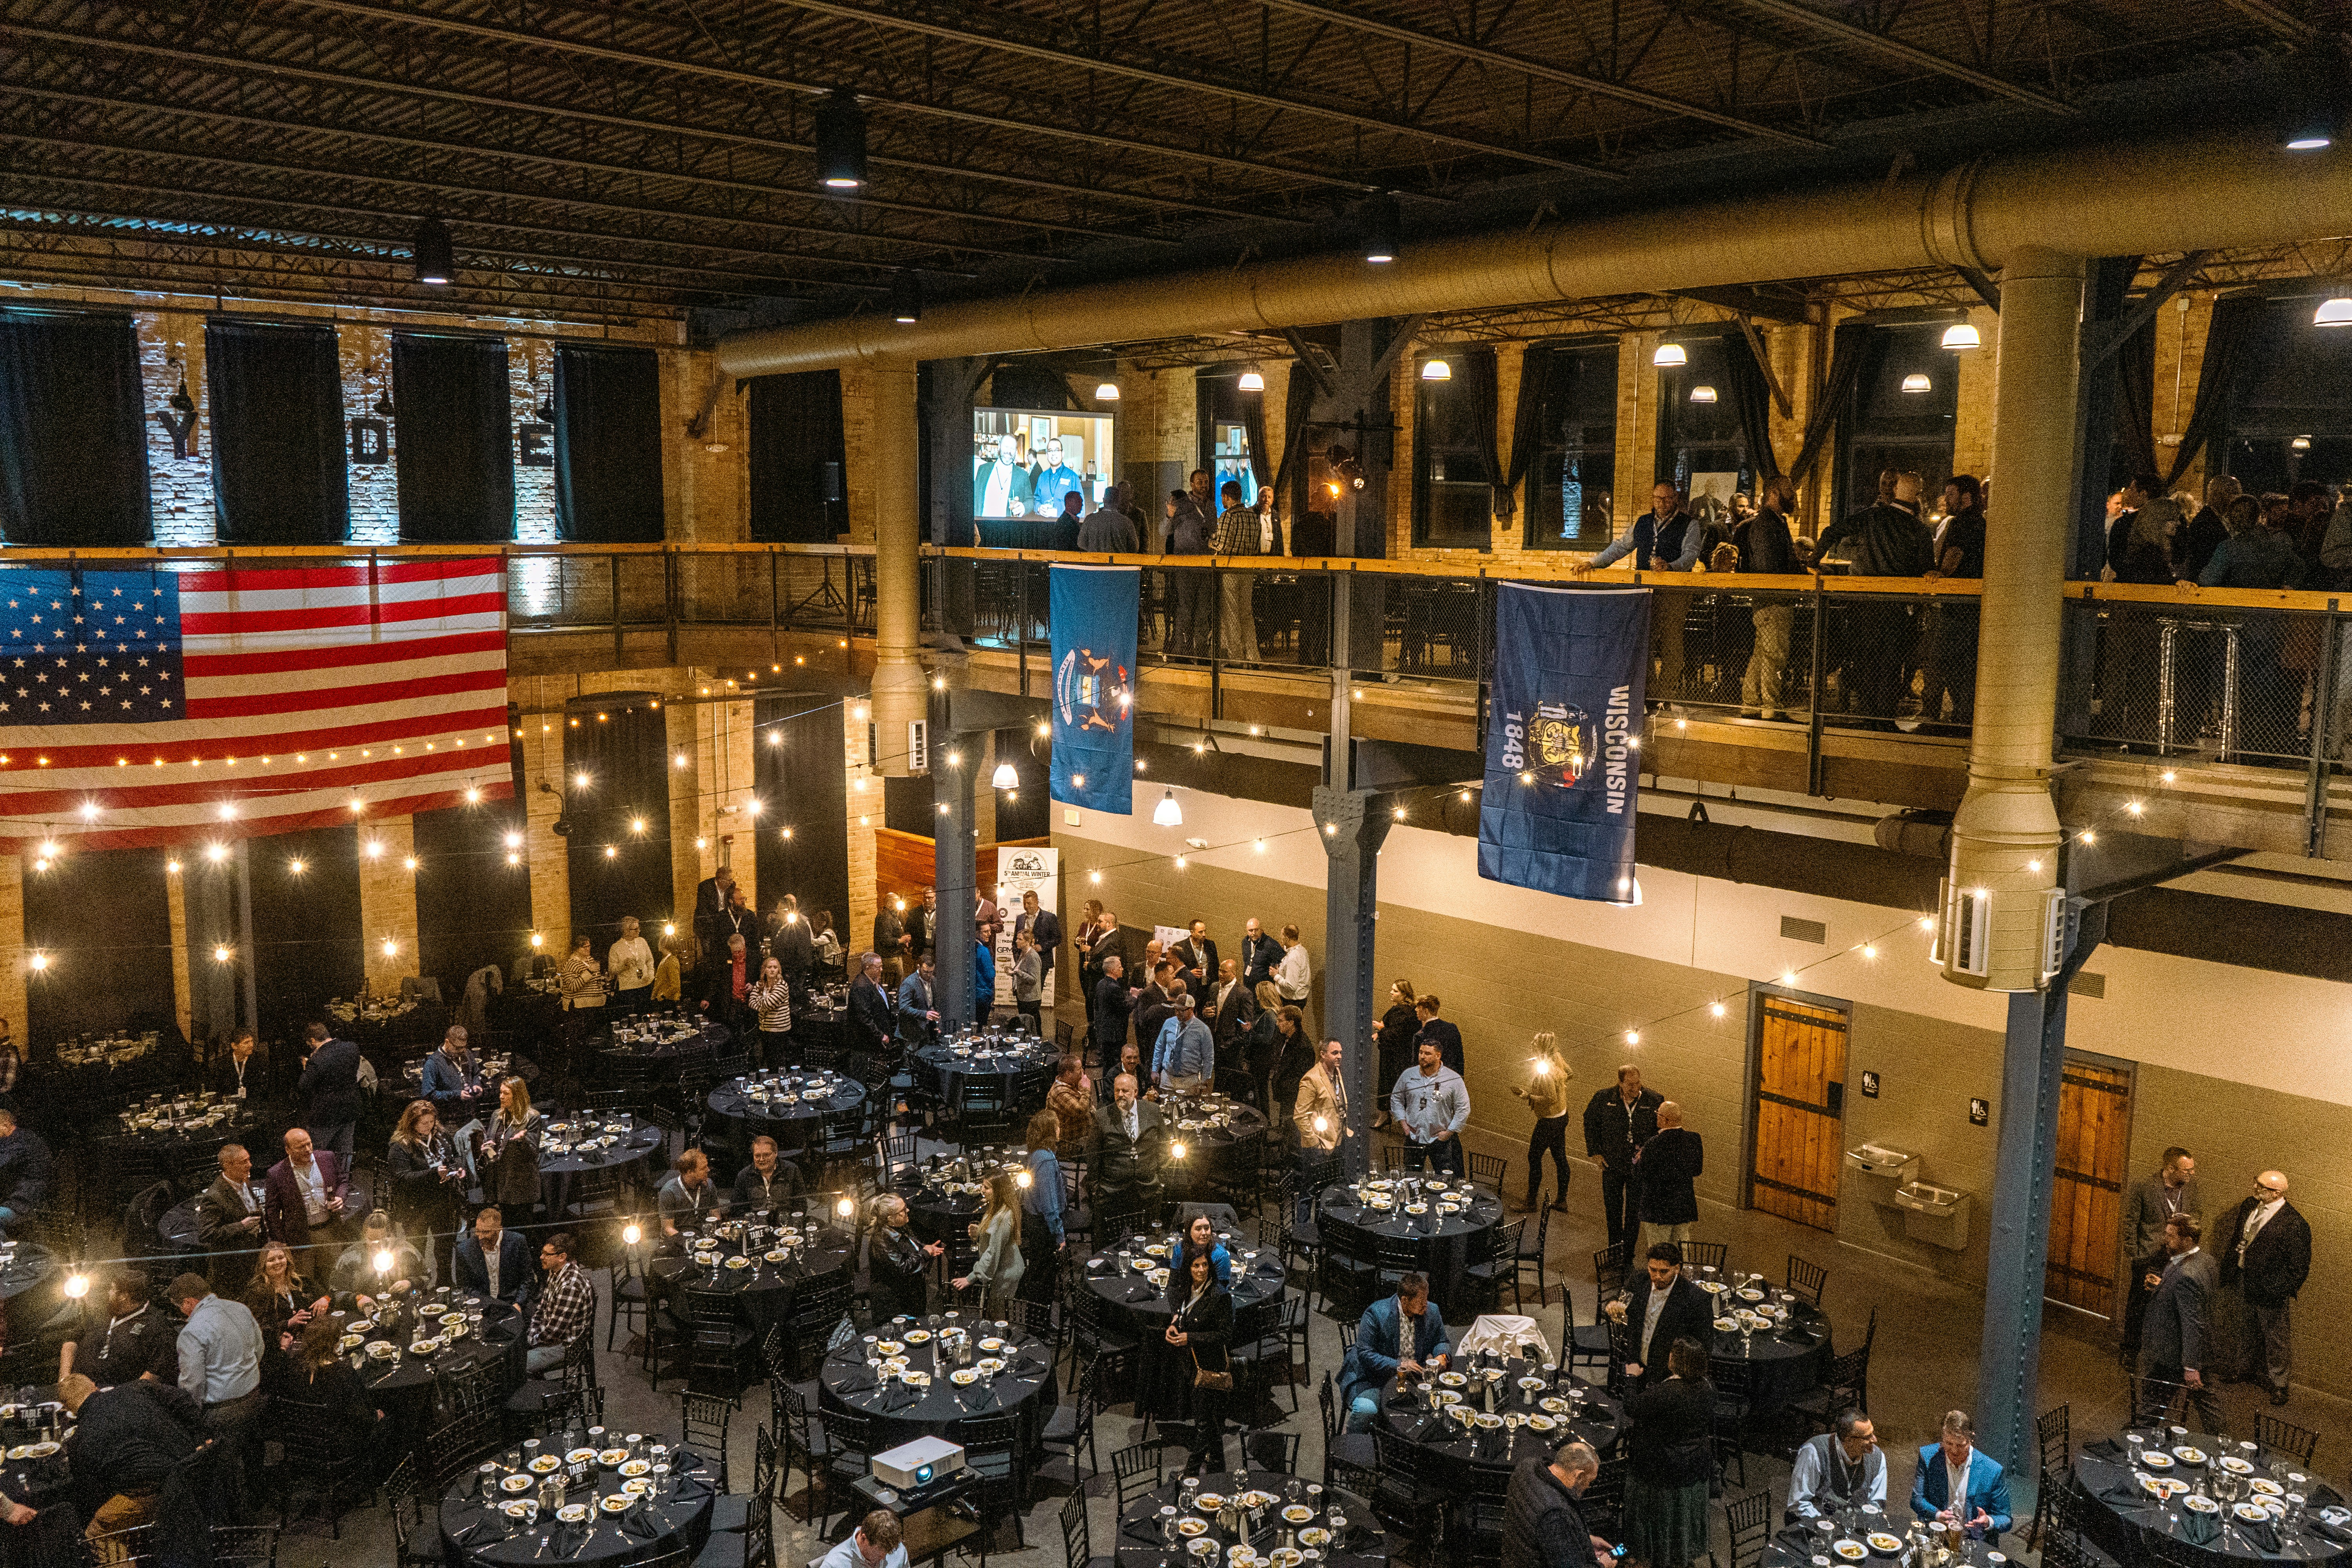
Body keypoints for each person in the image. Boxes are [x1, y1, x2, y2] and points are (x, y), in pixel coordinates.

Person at [57, 1370, 202, 1548]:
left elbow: (89, 1496)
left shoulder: (78, 1441)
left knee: (97, 1533)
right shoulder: (137, 1388)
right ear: (95, 1387)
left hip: (157, 1493)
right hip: (195, 1468)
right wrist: (201, 1436)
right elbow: (181, 1397)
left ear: (67, 1408)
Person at [2214, 1169, 2310, 1405]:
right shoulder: (2251, 1206)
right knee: (2246, 1328)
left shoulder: (2294, 1224)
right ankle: (2244, 1369)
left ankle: (2279, 1383)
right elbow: (2241, 1238)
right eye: (2256, 1184)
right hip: (2244, 1279)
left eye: (2261, 1187)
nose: (2255, 1189)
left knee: (2275, 1337)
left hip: (2270, 1289)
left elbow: (2299, 1266)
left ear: (2276, 1193)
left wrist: (2279, 1289)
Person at [1622, 1336, 1714, 1568]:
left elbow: (1632, 1407)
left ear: (1675, 1361)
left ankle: (1646, 1555)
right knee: (1680, 1519)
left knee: (1652, 1520)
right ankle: (1678, 1555)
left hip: (1660, 1469)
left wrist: (1631, 1377)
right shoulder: (1707, 1388)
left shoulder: (1667, 1393)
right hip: (1693, 1467)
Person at [267, 1316, 393, 1478]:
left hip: (301, 1449)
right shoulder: (343, 1373)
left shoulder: (292, 1369)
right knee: (389, 1420)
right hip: (337, 1451)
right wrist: (375, 1415)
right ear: (335, 1343)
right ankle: (378, 1479)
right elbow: (361, 1416)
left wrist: (284, 1349)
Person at [2134, 1211, 2221, 1430]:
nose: (2166, 1240)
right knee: (2209, 1405)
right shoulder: (2207, 1261)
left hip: (2174, 1353)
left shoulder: (2186, 1275)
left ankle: (2138, 1441)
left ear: (2188, 1240)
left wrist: (2191, 1366)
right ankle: (2223, 1444)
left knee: (2152, 1405)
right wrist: (2164, 1287)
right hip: (2197, 1349)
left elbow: (2193, 1321)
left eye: (2171, 1236)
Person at [1917, 474, 1987, 731]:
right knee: (1964, 667)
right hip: (1971, 609)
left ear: (1966, 496)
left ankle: (1933, 718)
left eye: (1951, 495)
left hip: (1956, 609)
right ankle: (1963, 719)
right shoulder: (1980, 523)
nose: (1946, 501)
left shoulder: (1962, 524)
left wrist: (1940, 574)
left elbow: (1955, 554)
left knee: (1939, 661)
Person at [1338, 1273, 1450, 1431]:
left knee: (1439, 1404)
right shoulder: (1376, 1313)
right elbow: (1365, 1354)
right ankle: (1356, 1448)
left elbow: (1442, 1341)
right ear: (1405, 1300)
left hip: (1412, 1379)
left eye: (1427, 1298)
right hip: (1374, 1378)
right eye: (1421, 1300)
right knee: (1367, 1410)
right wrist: (1400, 1365)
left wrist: (1442, 1356)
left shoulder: (1432, 1311)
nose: (1426, 1304)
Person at [2118, 1145, 2198, 1367]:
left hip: (2177, 1257)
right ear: (2170, 1168)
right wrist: (2135, 1254)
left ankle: (2163, 1352)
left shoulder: (2191, 1191)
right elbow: (2130, 1222)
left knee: (2172, 1305)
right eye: (2187, 1171)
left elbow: (2198, 1216)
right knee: (2139, 1304)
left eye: (2193, 1170)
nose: (2192, 1174)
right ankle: (2131, 1350)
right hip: (2149, 1255)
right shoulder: (2144, 1187)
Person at [1736, 474, 1802, 719]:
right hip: (1773, 599)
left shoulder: (1774, 522)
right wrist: (1799, 571)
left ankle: (1751, 704)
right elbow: (1769, 566)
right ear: (1774, 493)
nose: (1793, 497)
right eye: (1789, 492)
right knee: (1775, 655)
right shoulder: (1766, 524)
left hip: (1770, 600)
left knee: (1763, 653)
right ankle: (1771, 709)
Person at [1607, 1242, 1713, 1390]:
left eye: (1664, 1272)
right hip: (1636, 1364)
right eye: (1653, 1269)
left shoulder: (1696, 1299)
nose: (1657, 1276)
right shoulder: (1639, 1280)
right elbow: (1622, 1296)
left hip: (1667, 1375)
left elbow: (1704, 1345)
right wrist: (1613, 1304)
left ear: (1677, 1269)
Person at [1166, 1242, 1234, 1475]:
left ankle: (1190, 1473)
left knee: (1205, 1425)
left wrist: (1190, 1338)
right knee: (1211, 1425)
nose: (1201, 1270)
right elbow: (1184, 1315)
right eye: (1196, 1265)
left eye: (1205, 1265)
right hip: (1193, 1366)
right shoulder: (1189, 1289)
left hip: (1210, 1366)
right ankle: (1218, 1470)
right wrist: (1174, 1327)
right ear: (1189, 1268)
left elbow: (1225, 1334)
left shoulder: (1219, 1295)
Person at [170, 1271, 264, 1437]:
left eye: (180, 1308)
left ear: (188, 1302)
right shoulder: (241, 1308)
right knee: (253, 1450)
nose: (182, 1312)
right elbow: (259, 1349)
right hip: (254, 1397)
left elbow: (193, 1383)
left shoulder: (191, 1332)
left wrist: (190, 1418)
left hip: (222, 1412)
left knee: (223, 1461)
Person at [1584, 1065, 1662, 1262]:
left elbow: (1661, 1129)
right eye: (1630, 1084)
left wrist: (1649, 1150)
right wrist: (1595, 1152)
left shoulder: (1654, 1100)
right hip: (1612, 1164)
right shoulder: (1603, 1098)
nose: (1635, 1088)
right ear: (1620, 1082)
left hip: (1639, 1167)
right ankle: (1614, 1252)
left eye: (1638, 1083)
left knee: (1634, 1213)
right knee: (1613, 1210)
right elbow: (1589, 1122)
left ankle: (1628, 1254)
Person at [1908, 1410, 2013, 1544]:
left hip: (1973, 1540)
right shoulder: (1928, 1457)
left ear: (1971, 1439)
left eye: (1960, 1445)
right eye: (1948, 1444)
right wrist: (1938, 1515)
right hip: (1937, 1533)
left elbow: (2006, 1519)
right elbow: (1917, 1499)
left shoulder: (1992, 1470)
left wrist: (1988, 1522)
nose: (1954, 1451)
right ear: (1943, 1437)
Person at [60, 1270, 176, 1388]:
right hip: (76, 1388)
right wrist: (64, 1379)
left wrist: (120, 1397)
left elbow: (155, 1372)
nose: (109, 1293)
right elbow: (71, 1341)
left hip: (114, 1395)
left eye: (113, 1289)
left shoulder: (156, 1325)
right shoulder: (100, 1312)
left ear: (124, 1296)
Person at [1503, 1438, 1608, 1568]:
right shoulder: (1556, 1513)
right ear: (1579, 1475)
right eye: (1589, 1481)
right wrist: (1603, 1566)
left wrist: (1584, 1539)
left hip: (1514, 1557)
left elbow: (1542, 1533)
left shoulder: (1527, 1466)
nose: (1588, 1487)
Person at [263, 1126, 351, 1271]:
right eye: (301, 1147)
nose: (308, 1150)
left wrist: (340, 1197)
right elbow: (272, 1212)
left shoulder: (327, 1158)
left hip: (329, 1230)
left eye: (309, 1144)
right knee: (305, 1278)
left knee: (334, 1274)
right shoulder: (276, 1173)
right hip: (300, 1237)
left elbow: (343, 1181)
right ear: (288, 1150)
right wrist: (281, 1243)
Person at [386, 1099, 466, 1254]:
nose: (429, 1126)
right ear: (412, 1123)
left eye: (431, 1121)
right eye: (423, 1123)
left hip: (443, 1201)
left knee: (445, 1249)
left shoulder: (441, 1136)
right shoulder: (400, 1147)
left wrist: (458, 1169)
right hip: (416, 1206)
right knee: (416, 1250)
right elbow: (403, 1179)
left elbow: (455, 1157)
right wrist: (433, 1174)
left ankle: (445, 1279)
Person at [1511, 1032, 1573, 1213]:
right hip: (1562, 1116)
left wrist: (1528, 1096)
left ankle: (1531, 1202)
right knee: (1560, 1158)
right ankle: (1562, 1200)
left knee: (1534, 1157)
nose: (1532, 1046)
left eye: (1535, 1045)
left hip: (1549, 1122)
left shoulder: (1545, 1069)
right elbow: (1570, 1073)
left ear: (1541, 1048)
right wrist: (1560, 1084)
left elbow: (1550, 1098)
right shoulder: (1557, 1058)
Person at [194, 1142, 267, 1297]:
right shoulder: (214, 1197)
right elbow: (207, 1234)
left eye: (249, 1160)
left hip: (253, 1260)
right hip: (233, 1271)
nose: (250, 1165)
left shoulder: (244, 1181)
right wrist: (241, 1225)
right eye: (244, 1162)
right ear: (228, 1165)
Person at [1787, 1412, 1886, 1524]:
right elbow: (1799, 1503)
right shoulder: (1815, 1452)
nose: (1875, 1440)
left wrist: (1864, 1522)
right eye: (1868, 1437)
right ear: (1849, 1440)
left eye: (1873, 1433)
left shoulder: (1878, 1457)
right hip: (1819, 1522)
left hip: (1857, 1524)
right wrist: (1828, 1525)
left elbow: (1877, 1502)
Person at [1089, 1073, 1165, 1218]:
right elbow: (1093, 1156)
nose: (1120, 1095)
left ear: (1135, 1092)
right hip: (1113, 1191)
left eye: (1125, 1091)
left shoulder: (1153, 1111)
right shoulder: (1102, 1117)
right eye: (1117, 1091)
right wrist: (1096, 1188)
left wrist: (1160, 1178)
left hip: (1148, 1188)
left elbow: (1164, 1146)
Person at [1391, 1036, 1469, 1176]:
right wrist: (1403, 1123)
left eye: (1427, 1054)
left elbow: (1463, 1109)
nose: (1422, 1057)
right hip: (1414, 1137)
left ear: (1438, 1056)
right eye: (1421, 1053)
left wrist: (1449, 1133)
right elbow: (1396, 1098)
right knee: (1411, 1177)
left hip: (1440, 1140)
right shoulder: (1409, 1075)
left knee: (1444, 1179)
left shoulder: (1453, 1079)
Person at [1635, 1102, 1703, 1254]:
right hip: (1683, 1206)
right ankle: (1681, 1277)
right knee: (1681, 1251)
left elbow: (1642, 1175)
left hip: (1658, 1209)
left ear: (1666, 1120)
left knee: (1659, 1252)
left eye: (1658, 1115)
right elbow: (1697, 1170)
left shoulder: (1652, 1145)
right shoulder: (1694, 1140)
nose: (1656, 1117)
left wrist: (1639, 1160)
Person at [952, 1169, 1024, 1314]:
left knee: (997, 1317)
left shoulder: (1003, 1218)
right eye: (983, 1186)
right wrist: (980, 1232)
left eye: (987, 1187)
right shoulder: (997, 1207)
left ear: (999, 1191)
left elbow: (993, 1252)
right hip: (1003, 1269)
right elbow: (995, 1235)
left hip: (1006, 1274)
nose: (982, 1190)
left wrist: (971, 1278)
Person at [524, 1232, 596, 1373]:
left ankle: (535, 1390)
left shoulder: (570, 1287)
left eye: (546, 1254)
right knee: (515, 1352)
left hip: (564, 1347)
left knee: (518, 1366)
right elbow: (542, 1308)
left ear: (562, 1257)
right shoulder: (555, 1271)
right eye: (542, 1253)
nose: (541, 1257)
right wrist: (532, 1333)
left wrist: (530, 1341)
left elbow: (553, 1334)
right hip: (549, 1335)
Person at [477, 1077, 543, 1226]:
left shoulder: (532, 1117)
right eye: (500, 1093)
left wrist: (522, 1140)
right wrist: (487, 1146)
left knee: (520, 1228)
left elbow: (532, 1153)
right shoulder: (498, 1115)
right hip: (499, 1181)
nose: (501, 1097)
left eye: (506, 1093)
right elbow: (490, 1138)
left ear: (517, 1095)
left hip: (519, 1183)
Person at [419, 1026, 489, 1165]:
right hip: (450, 1120)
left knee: (478, 1153)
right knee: (460, 1157)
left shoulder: (467, 1054)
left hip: (471, 1113)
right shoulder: (433, 1063)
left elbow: (476, 1073)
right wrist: (456, 1095)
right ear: (447, 1042)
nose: (461, 1051)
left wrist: (477, 1084)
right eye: (458, 1048)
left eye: (464, 1047)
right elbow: (428, 1094)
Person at [328, 1209, 426, 1307]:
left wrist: (409, 1283)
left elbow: (427, 1277)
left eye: (381, 1241)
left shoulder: (406, 1251)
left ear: (390, 1236)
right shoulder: (350, 1257)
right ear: (364, 1234)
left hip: (401, 1307)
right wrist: (358, 1299)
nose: (375, 1245)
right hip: (364, 1312)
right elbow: (335, 1291)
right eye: (371, 1240)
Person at [296, 1022, 364, 1163]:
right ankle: (343, 1181)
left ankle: (321, 1181)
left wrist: (306, 1066)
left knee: (318, 1153)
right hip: (350, 1108)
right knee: (345, 1151)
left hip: (325, 1114)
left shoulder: (317, 1059)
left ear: (313, 1041)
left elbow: (304, 1086)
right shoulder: (352, 1048)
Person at [869, 1194, 942, 1322]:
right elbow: (903, 1267)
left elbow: (912, 1247)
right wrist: (925, 1254)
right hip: (895, 1305)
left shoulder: (900, 1227)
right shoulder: (881, 1241)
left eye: (905, 1207)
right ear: (891, 1219)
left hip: (911, 1296)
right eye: (902, 1210)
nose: (907, 1211)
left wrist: (927, 1249)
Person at [1018, 1109, 1066, 1305]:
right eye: (1056, 1125)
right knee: (1043, 1280)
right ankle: (1039, 1327)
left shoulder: (1036, 1155)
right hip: (1043, 1229)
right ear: (1050, 1131)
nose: (1059, 1129)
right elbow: (1050, 1206)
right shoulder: (1045, 1160)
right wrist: (1060, 1235)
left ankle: (1037, 1323)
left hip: (1034, 1223)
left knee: (1039, 1275)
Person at [241, 1241, 327, 1341]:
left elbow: (328, 1295)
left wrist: (325, 1299)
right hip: (281, 1343)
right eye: (272, 1260)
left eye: (281, 1258)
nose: (278, 1262)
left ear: (288, 1260)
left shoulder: (300, 1281)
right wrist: (289, 1322)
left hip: (310, 1334)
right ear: (264, 1264)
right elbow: (257, 1328)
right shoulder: (258, 1291)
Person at [455, 1206, 535, 1306]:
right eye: (478, 1231)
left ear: (499, 1229)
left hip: (512, 1301)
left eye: (486, 1232)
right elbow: (465, 1286)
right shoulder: (464, 1249)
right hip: (483, 1303)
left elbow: (527, 1279)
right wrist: (489, 1304)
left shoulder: (517, 1242)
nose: (481, 1237)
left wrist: (518, 1303)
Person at [1293, 1037, 1348, 1160]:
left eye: (1340, 1053)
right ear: (1323, 1055)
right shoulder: (1311, 1079)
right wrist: (1315, 1144)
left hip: (1338, 1141)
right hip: (1319, 1148)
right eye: (1335, 1053)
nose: (1339, 1056)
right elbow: (1300, 1116)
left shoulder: (1337, 1072)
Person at [1374, 980, 1418, 1128]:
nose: (1392, 993)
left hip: (1394, 1057)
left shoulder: (1403, 1012)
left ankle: (1388, 1117)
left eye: (1396, 991)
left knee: (1389, 1085)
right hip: (1398, 1055)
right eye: (1392, 989)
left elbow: (1397, 1034)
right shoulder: (1408, 1011)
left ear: (1404, 994)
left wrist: (1381, 1029)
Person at [1152, 993, 1215, 1096]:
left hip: (1189, 1082)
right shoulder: (1169, 1023)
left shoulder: (1203, 1030)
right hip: (1168, 1079)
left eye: (1182, 1011)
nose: (1178, 1013)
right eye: (1176, 1010)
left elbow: (1209, 1058)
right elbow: (1160, 1046)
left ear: (1191, 1009)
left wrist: (1204, 1081)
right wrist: (1155, 1069)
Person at [658, 1149, 727, 1236]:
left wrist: (717, 1232)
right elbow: (668, 1229)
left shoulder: (709, 1184)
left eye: (707, 1166)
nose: (708, 1170)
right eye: (703, 1168)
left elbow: (715, 1214)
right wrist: (686, 1240)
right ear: (690, 1172)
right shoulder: (670, 1191)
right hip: (680, 1235)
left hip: (704, 1233)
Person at [700, 933, 755, 1035]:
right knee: (730, 1034)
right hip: (731, 1003)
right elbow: (717, 979)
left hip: (748, 1002)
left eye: (739, 952)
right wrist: (708, 998)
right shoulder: (726, 958)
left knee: (747, 1035)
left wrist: (752, 985)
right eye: (734, 952)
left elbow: (760, 978)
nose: (737, 955)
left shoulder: (754, 958)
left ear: (744, 945)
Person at [731, 1135, 802, 1213]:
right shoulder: (744, 1175)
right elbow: (738, 1208)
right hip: (756, 1224)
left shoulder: (791, 1170)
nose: (761, 1159)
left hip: (786, 1223)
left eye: (766, 1155)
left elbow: (800, 1203)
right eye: (758, 1156)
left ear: (776, 1154)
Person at [746, 955, 793, 1069]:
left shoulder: (782, 986)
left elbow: (768, 1004)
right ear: (765, 970)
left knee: (777, 1062)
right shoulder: (760, 984)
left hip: (779, 1029)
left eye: (775, 967)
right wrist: (763, 1002)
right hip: (764, 1028)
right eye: (769, 967)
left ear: (779, 970)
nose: (772, 970)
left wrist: (760, 1000)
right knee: (765, 1060)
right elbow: (751, 1003)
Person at [822, 1508, 910, 1568]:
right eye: (879, 1551)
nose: (883, 1558)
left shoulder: (898, 1550)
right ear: (864, 1538)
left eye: (887, 1552)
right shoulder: (835, 1564)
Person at [849, 952, 896, 1058]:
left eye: (881, 967)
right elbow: (864, 1017)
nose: (881, 970)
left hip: (882, 1030)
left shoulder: (874, 980)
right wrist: (880, 1035)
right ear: (867, 967)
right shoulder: (861, 986)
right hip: (871, 1040)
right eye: (878, 967)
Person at [1091, 953, 1133, 1060]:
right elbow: (1125, 1008)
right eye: (1120, 967)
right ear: (1113, 971)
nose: (1122, 969)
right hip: (1115, 1035)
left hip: (1104, 1032)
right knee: (1114, 1063)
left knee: (1107, 1062)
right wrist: (1135, 997)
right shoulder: (1114, 988)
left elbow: (1097, 1007)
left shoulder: (1101, 984)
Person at [1045, 1055, 1093, 1149]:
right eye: (1079, 1069)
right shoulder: (1060, 1093)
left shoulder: (1070, 1083)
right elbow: (1081, 1111)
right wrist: (1086, 1090)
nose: (1082, 1071)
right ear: (1068, 1074)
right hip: (1070, 1144)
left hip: (1082, 1135)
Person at [609, 916, 655, 1013]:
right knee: (632, 1016)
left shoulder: (642, 942)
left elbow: (650, 961)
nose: (639, 931)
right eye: (636, 929)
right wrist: (623, 965)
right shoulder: (616, 947)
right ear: (626, 931)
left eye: (639, 928)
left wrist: (651, 976)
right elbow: (612, 969)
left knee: (647, 1015)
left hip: (646, 986)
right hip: (628, 990)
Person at [896, 955, 940, 1049]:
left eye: (932, 972)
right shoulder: (909, 983)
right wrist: (924, 1014)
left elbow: (933, 1003)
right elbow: (904, 1008)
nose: (929, 975)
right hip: (911, 1030)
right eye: (926, 972)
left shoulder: (934, 980)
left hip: (927, 1029)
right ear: (919, 967)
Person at [1412, 993, 1463, 1074]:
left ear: (1426, 1011)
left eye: (1419, 1007)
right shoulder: (1452, 1028)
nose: (1416, 1010)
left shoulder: (1421, 1035)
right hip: (1450, 1077)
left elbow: (1417, 1065)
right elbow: (1459, 1059)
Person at [1078, 487, 1141, 553]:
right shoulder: (1127, 522)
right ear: (1119, 501)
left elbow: (1081, 543)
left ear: (1104, 500)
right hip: (1119, 562)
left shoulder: (1090, 520)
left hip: (1095, 561)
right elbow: (1134, 548)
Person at [1171, 918, 1218, 998]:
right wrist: (1189, 974)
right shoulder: (1181, 947)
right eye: (1200, 932)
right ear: (1192, 932)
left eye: (1205, 931)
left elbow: (1216, 967)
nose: (1204, 935)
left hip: (1207, 988)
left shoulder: (1210, 945)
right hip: (1191, 988)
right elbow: (1175, 972)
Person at [211, 1029, 262, 1102]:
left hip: (253, 1101)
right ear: (234, 1046)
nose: (251, 1045)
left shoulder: (258, 1059)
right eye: (246, 1043)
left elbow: (261, 1086)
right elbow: (219, 1088)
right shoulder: (223, 1062)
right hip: (230, 1101)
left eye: (252, 1041)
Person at [1273, 924, 1311, 1022]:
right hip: (1299, 999)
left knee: (1288, 1029)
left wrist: (1276, 976)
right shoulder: (1302, 951)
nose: (1281, 939)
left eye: (1282, 936)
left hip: (1291, 1002)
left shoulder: (1293, 958)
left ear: (1287, 938)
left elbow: (1291, 985)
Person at [1011, 927, 1044, 1035]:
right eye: (1017, 939)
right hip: (1023, 997)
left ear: (1027, 942)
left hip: (1031, 1000)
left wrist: (1018, 973)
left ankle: (1037, 1045)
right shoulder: (1023, 954)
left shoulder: (1033, 956)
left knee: (1034, 1028)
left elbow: (1034, 979)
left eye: (1020, 939)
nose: (1017, 941)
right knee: (1025, 1026)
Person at [653, 933, 686, 1004]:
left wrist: (662, 996)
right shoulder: (666, 960)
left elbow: (676, 985)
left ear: (664, 944)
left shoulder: (672, 961)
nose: (658, 944)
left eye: (660, 942)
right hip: (665, 1000)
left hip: (669, 1001)